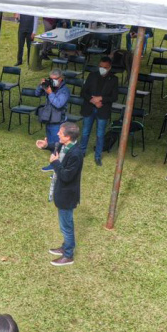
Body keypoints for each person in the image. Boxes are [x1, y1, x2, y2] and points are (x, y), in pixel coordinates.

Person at [36, 122, 85, 266]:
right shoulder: (67, 146)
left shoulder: (75, 154)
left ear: (68, 137)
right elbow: (56, 146)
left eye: (61, 133)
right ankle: (65, 247)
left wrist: (55, 163)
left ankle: (68, 255)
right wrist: (46, 146)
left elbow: (66, 176)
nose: (58, 134)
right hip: (63, 193)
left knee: (66, 226)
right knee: (65, 224)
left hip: (67, 195)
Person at [79, 56, 119, 166]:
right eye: (100, 66)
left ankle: (97, 156)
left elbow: (114, 97)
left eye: (105, 67)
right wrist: (93, 101)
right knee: (85, 132)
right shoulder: (92, 75)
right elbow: (83, 92)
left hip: (103, 110)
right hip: (89, 108)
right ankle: (82, 152)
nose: (102, 69)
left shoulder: (114, 79)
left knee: (100, 134)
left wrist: (101, 98)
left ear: (109, 67)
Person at [35, 70, 70, 145]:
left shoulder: (65, 91)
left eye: (55, 79)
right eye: (51, 79)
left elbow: (59, 104)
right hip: (49, 119)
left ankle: (57, 156)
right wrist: (41, 85)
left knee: (57, 145)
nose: (52, 81)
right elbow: (37, 94)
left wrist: (50, 93)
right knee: (50, 144)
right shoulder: (50, 87)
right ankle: (52, 156)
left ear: (61, 78)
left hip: (58, 123)